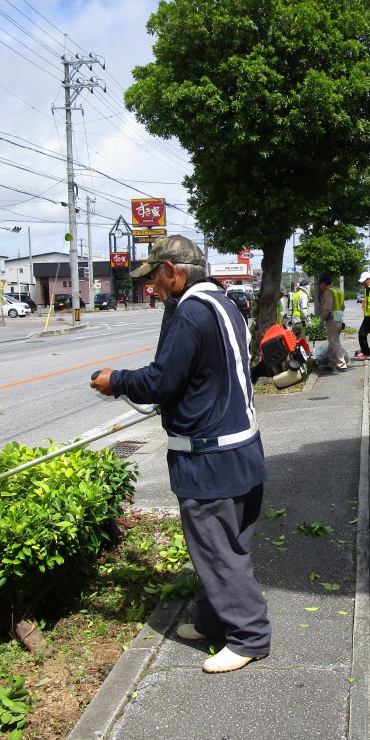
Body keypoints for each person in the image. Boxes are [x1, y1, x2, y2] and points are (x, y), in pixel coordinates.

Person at [89, 235, 270, 674]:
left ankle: (250, 637)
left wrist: (116, 380)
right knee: (228, 546)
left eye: (154, 277)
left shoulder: (190, 312)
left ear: (173, 270)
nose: (151, 286)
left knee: (215, 549)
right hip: (244, 448)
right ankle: (214, 620)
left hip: (209, 457)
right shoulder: (223, 302)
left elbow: (161, 382)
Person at [317, 274, 347, 371]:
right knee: (332, 342)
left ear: (324, 284)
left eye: (320, 285)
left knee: (334, 343)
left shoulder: (329, 292)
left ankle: (341, 364)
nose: (320, 287)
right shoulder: (339, 291)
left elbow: (327, 308)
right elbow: (343, 307)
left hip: (331, 320)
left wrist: (321, 320)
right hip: (338, 319)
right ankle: (332, 363)